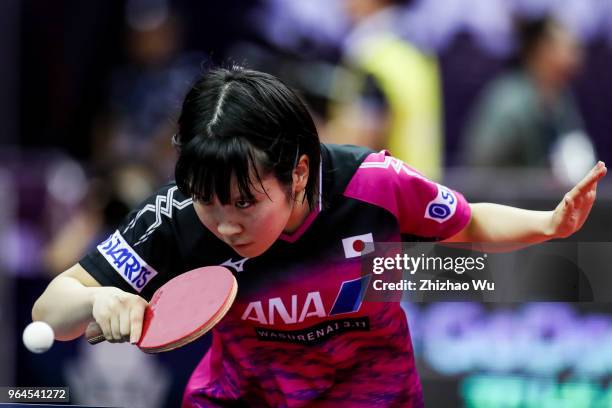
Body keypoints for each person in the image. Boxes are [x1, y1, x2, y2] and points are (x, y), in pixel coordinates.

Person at [32, 67, 605, 407]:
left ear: (299, 172)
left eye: (245, 203)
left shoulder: (374, 184)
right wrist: (96, 299)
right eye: (209, 203)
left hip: (370, 393)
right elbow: (50, 310)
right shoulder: (178, 213)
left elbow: (469, 223)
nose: (225, 224)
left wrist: (549, 225)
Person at [461, 16, 593, 178]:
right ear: (542, 49)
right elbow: (481, 168)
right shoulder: (508, 100)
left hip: (548, 202)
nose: (577, 57)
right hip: (505, 200)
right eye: (570, 49)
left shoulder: (563, 100)